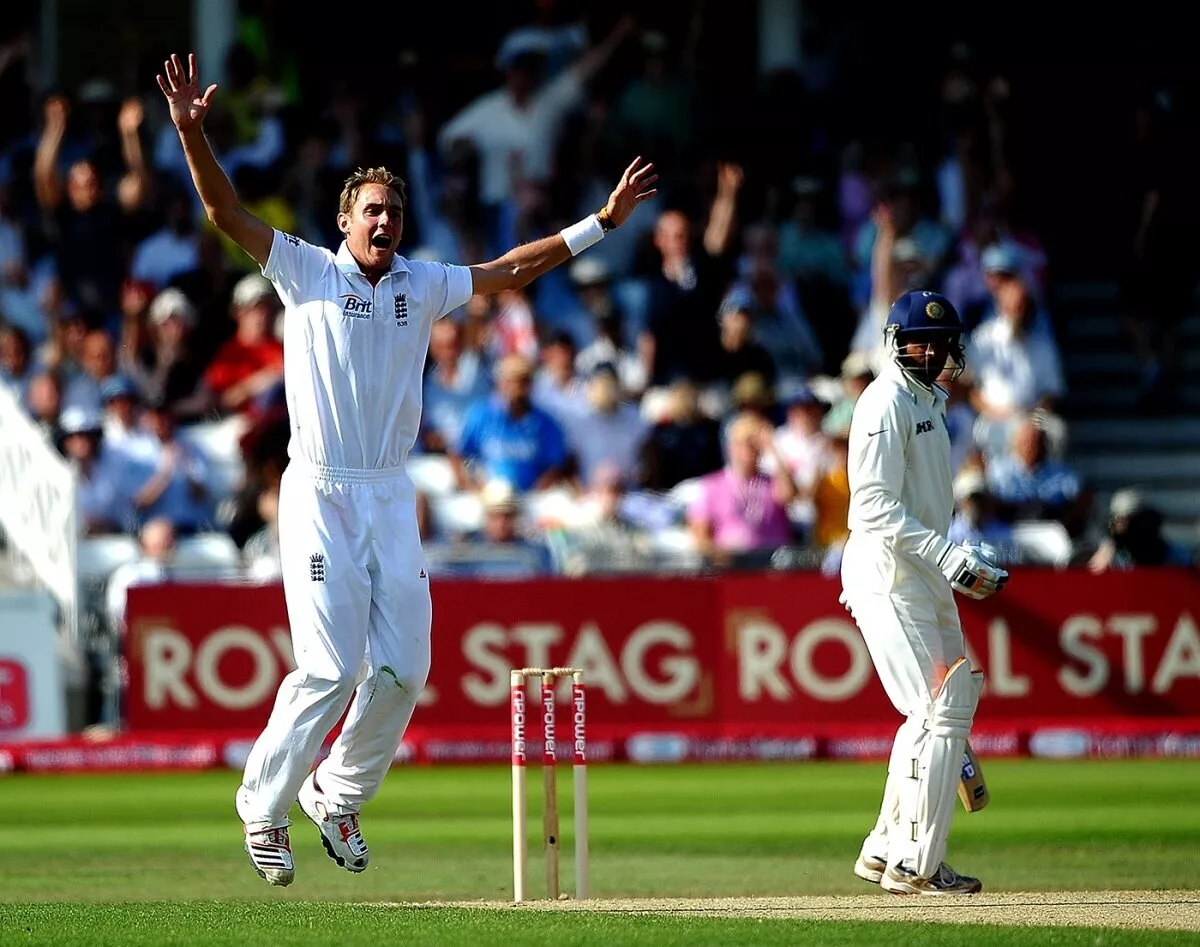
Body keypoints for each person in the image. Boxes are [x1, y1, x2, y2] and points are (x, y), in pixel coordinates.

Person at [157, 52, 656, 887]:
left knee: (406, 666)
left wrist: (599, 222)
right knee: (327, 664)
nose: (385, 221)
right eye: (372, 211)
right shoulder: (305, 269)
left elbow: (509, 270)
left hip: (390, 489)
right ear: (346, 219)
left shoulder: (422, 284)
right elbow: (222, 209)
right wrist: (188, 131)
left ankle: (338, 792)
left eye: (393, 210)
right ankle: (262, 806)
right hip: (319, 485)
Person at [839, 290, 1008, 896]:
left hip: (925, 570)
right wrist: (944, 552)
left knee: (947, 701)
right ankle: (916, 863)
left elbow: (927, 504)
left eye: (941, 342)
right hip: (888, 571)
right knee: (935, 709)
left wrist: (953, 555)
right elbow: (873, 508)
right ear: (895, 342)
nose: (933, 351)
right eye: (921, 341)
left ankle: (886, 848)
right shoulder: (885, 402)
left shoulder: (931, 400)